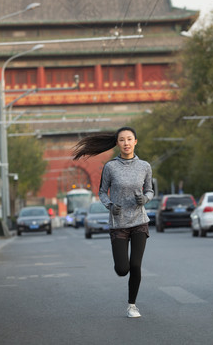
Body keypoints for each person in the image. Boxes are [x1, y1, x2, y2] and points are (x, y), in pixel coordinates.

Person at [72, 126, 154, 318]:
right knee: (122, 269)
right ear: (117, 143)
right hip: (118, 223)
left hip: (139, 221)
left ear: (135, 142)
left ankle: (132, 305)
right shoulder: (110, 167)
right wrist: (110, 205)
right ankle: (122, 270)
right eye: (122, 140)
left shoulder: (145, 166)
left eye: (129, 139)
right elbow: (101, 191)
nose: (126, 143)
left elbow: (150, 190)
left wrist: (146, 199)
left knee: (135, 265)